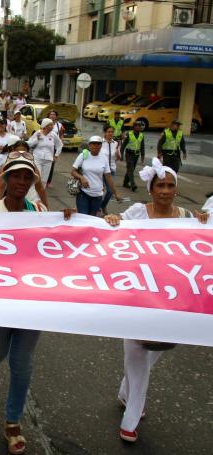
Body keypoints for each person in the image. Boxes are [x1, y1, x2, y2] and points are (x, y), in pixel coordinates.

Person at [0, 152, 72, 455]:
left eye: (28, 177)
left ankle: (12, 422)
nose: (22, 182)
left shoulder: (39, 210)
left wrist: (67, 223)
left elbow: (54, 245)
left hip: (30, 300)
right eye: (17, 176)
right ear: (5, 178)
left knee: (22, 363)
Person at [104, 158, 208, 443]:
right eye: (160, 185)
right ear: (150, 189)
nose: (165, 190)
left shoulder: (187, 217)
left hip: (172, 302)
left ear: (176, 189)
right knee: (136, 353)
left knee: (150, 356)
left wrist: (203, 225)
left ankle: (126, 393)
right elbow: (114, 230)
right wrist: (113, 220)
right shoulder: (138, 213)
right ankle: (131, 419)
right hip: (137, 297)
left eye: (170, 185)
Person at [71, 136, 121, 216]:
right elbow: (73, 171)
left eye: (98, 144)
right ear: (89, 145)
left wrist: (116, 193)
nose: (96, 146)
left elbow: (108, 177)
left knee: (92, 218)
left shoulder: (104, 158)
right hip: (83, 193)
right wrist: (81, 177)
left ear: (101, 146)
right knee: (83, 217)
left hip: (97, 196)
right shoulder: (83, 155)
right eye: (93, 144)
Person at [28, 118, 63, 187]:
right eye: (50, 125)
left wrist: (56, 155)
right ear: (45, 126)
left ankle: (40, 194)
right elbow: (29, 144)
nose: (52, 126)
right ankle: (33, 194)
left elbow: (60, 145)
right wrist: (36, 139)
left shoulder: (53, 135)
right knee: (37, 176)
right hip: (37, 158)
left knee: (44, 180)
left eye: (52, 125)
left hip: (48, 160)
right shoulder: (38, 133)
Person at [100, 125, 122, 215]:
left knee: (110, 191)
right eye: (108, 132)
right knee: (100, 190)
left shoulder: (116, 144)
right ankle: (97, 208)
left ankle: (103, 205)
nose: (110, 134)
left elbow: (118, 157)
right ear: (105, 133)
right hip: (101, 170)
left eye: (112, 132)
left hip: (111, 169)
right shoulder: (100, 142)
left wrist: (118, 154)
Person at [121, 122, 145, 192]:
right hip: (129, 154)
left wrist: (143, 156)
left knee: (131, 169)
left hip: (136, 155)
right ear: (134, 127)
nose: (139, 127)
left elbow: (142, 146)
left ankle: (125, 183)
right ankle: (133, 184)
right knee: (130, 169)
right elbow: (123, 145)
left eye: (140, 126)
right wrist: (121, 155)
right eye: (137, 126)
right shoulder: (129, 134)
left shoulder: (141, 135)